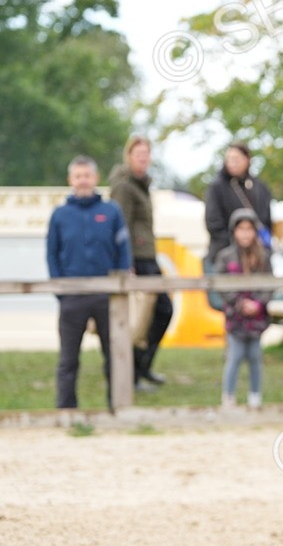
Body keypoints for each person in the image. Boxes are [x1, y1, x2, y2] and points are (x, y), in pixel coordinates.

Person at [47, 156, 132, 409]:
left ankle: (117, 407)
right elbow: (52, 254)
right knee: (68, 360)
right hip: (71, 296)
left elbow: (123, 250)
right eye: (78, 176)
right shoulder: (60, 215)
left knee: (114, 357)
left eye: (87, 175)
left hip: (108, 297)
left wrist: (121, 283)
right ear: (70, 180)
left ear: (96, 178)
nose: (83, 180)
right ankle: (66, 410)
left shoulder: (111, 211)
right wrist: (61, 292)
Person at [109, 135, 174, 389]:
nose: (143, 158)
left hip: (149, 257)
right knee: (140, 319)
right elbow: (120, 226)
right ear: (129, 156)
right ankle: (132, 374)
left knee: (162, 312)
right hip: (135, 260)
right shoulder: (124, 186)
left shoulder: (142, 185)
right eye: (138, 153)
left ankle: (143, 366)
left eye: (146, 154)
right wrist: (126, 264)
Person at [216, 208, 273, 408]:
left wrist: (258, 304)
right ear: (234, 232)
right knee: (235, 355)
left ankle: (255, 396)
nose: (245, 233)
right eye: (241, 229)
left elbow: (269, 284)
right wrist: (239, 303)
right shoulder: (225, 257)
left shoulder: (263, 256)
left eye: (249, 229)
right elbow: (220, 284)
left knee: (256, 356)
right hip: (235, 316)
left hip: (257, 317)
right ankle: (228, 396)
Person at [204, 142, 273, 273]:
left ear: (247, 159)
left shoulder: (260, 187)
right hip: (223, 257)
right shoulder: (217, 187)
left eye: (236, 159)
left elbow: (266, 221)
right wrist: (237, 246)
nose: (232, 163)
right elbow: (213, 223)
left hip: (256, 258)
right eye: (229, 159)